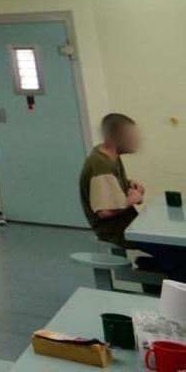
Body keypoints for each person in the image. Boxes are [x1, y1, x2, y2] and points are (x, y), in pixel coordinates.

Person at [79, 113, 186, 282]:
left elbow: (105, 185)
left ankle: (153, 266)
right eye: (131, 136)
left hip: (129, 224)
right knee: (179, 252)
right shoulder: (101, 165)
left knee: (176, 248)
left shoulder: (106, 154)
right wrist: (133, 199)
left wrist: (127, 183)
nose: (136, 141)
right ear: (115, 137)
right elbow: (104, 212)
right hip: (117, 231)